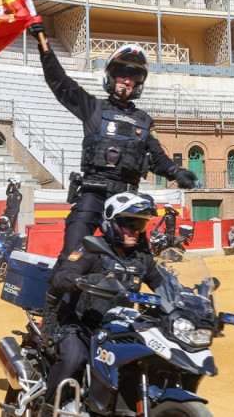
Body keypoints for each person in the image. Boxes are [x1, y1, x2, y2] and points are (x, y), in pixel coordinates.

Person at [28, 23, 197, 262]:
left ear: (139, 85)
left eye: (134, 77)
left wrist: (176, 171)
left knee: (141, 263)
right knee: (71, 257)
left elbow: (157, 159)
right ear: (111, 76)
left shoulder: (144, 121)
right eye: (122, 74)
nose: (127, 81)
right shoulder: (94, 108)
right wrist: (44, 46)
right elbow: (62, 85)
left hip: (128, 201)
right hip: (92, 195)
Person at [39, 192, 163, 413]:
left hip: (118, 331)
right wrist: (77, 280)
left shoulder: (142, 258)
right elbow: (62, 276)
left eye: (141, 225)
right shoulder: (91, 249)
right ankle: (48, 410)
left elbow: (163, 285)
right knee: (74, 358)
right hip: (81, 326)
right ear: (112, 223)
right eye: (130, 224)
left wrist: (186, 298)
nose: (135, 230)